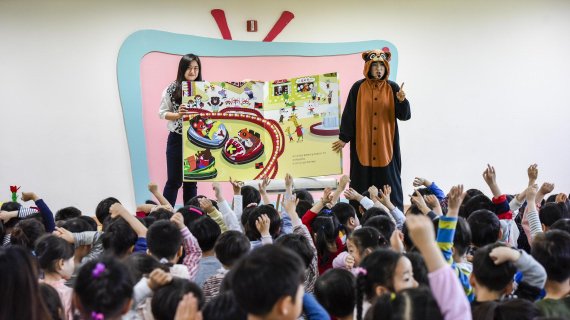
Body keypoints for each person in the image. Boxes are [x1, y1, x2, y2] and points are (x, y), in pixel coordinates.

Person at [333, 49, 411, 210]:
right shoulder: (358, 87)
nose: (378, 69)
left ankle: (394, 217)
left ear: (386, 68)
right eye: (374, 65)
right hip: (363, 146)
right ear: (368, 66)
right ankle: (357, 218)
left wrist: (402, 102)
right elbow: (349, 113)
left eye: (381, 66)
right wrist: (343, 138)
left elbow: (404, 116)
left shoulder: (393, 87)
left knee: (389, 184)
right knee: (361, 182)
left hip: (386, 146)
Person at [158, 54, 202, 206]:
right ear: (182, 69)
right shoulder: (172, 88)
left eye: (196, 68)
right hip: (177, 139)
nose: (192, 72)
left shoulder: (205, 87)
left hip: (196, 141)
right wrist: (178, 114)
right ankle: (164, 215)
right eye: (189, 68)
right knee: (174, 181)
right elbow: (162, 113)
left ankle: (191, 215)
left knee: (191, 181)